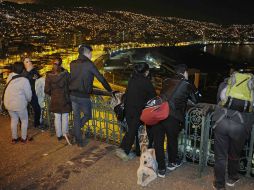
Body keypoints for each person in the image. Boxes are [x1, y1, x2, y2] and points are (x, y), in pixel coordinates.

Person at [152, 64, 199, 178]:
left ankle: (161, 169)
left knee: (158, 142)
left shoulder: (166, 80)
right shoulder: (187, 84)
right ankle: (172, 163)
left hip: (158, 113)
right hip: (172, 116)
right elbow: (196, 100)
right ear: (184, 72)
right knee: (172, 140)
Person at [212, 71, 254, 190]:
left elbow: (218, 101)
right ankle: (232, 178)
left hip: (221, 122)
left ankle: (219, 184)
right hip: (240, 125)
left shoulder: (225, 84)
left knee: (220, 156)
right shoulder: (252, 87)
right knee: (234, 154)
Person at [69, 44, 113, 147]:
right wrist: (110, 90)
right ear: (87, 53)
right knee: (88, 115)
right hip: (83, 96)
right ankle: (76, 131)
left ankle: (77, 137)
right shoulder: (89, 64)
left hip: (72, 95)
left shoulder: (72, 63)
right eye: (90, 53)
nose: (91, 55)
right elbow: (100, 78)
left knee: (76, 117)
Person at [115, 62, 157, 161]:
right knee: (133, 130)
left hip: (129, 109)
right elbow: (153, 97)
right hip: (138, 111)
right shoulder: (146, 82)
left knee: (134, 129)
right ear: (146, 72)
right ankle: (123, 150)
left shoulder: (132, 79)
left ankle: (137, 151)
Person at [4, 62, 32, 143]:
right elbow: (28, 95)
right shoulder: (24, 80)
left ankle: (14, 138)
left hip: (8, 102)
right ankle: (23, 138)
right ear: (23, 69)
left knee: (14, 119)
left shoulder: (10, 76)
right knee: (24, 120)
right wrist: (29, 100)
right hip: (19, 104)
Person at [44, 58, 72, 141]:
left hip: (55, 99)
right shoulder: (66, 74)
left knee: (57, 117)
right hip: (65, 98)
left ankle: (59, 135)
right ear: (61, 65)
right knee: (65, 116)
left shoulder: (49, 75)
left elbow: (46, 90)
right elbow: (70, 85)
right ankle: (65, 133)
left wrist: (53, 94)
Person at [23, 57, 42, 128]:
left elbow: (39, 78)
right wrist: (30, 75)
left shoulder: (34, 71)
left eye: (30, 61)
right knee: (24, 110)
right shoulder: (23, 72)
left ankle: (36, 124)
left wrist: (36, 76)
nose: (29, 63)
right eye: (27, 62)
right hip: (24, 94)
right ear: (24, 64)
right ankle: (23, 124)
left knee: (37, 109)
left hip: (33, 93)